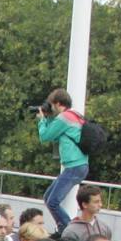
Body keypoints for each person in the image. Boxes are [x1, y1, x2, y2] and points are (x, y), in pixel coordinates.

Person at [36, 89, 88, 231]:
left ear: (58, 104)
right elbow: (58, 136)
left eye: (52, 105)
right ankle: (61, 227)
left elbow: (45, 137)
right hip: (80, 165)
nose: (51, 108)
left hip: (74, 166)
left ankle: (69, 229)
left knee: (53, 202)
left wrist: (42, 120)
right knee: (48, 197)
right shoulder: (75, 115)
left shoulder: (64, 118)